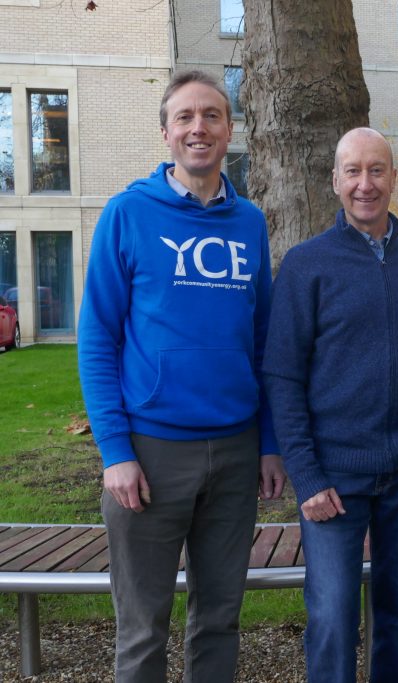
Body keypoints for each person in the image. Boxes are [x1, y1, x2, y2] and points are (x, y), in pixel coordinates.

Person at [77, 69, 287, 683]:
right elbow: (96, 341)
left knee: (219, 619)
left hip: (234, 451)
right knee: (143, 626)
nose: (199, 127)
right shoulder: (127, 214)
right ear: (166, 132)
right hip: (150, 454)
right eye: (186, 117)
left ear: (229, 130)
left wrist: (269, 443)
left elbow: (263, 342)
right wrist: (115, 452)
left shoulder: (249, 222)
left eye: (212, 116)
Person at [262, 127, 398, 683]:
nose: (365, 184)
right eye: (353, 171)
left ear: (395, 178)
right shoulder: (307, 265)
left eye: (377, 170)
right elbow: (282, 374)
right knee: (331, 617)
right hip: (333, 480)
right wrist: (306, 475)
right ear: (335, 181)